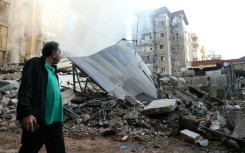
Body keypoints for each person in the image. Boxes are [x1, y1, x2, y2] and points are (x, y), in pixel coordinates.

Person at [17, 41, 66, 153]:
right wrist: (26, 113)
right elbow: (25, 89)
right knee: (28, 150)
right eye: (59, 52)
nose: (61, 55)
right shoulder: (35, 64)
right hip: (38, 121)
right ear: (54, 53)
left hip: (55, 122)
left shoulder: (53, 71)